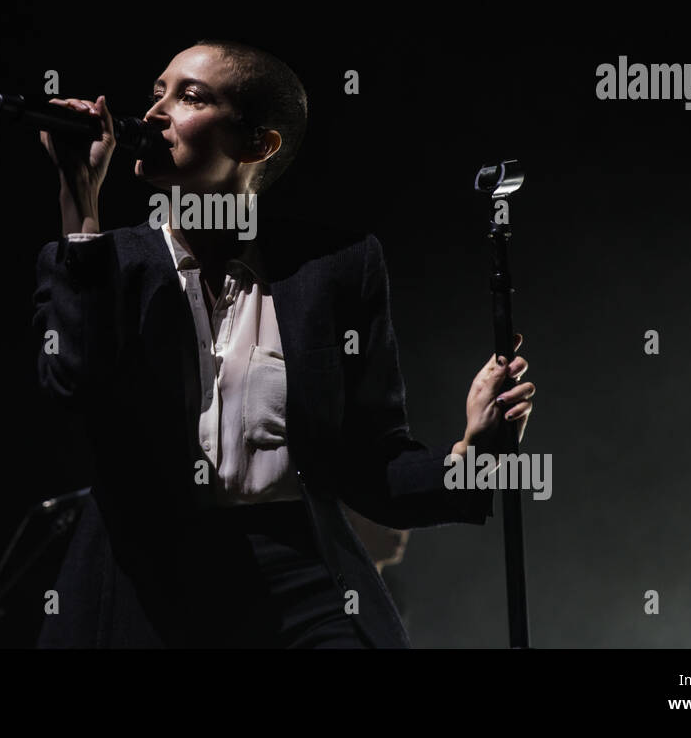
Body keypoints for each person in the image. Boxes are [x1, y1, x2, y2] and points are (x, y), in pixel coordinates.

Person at [32, 39, 537, 647]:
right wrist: (80, 209)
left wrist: (471, 454)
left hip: (297, 573)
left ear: (257, 145)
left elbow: (369, 465)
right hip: (146, 579)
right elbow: (74, 385)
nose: (157, 113)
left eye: (190, 96)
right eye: (156, 94)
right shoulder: (100, 263)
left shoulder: (335, 268)